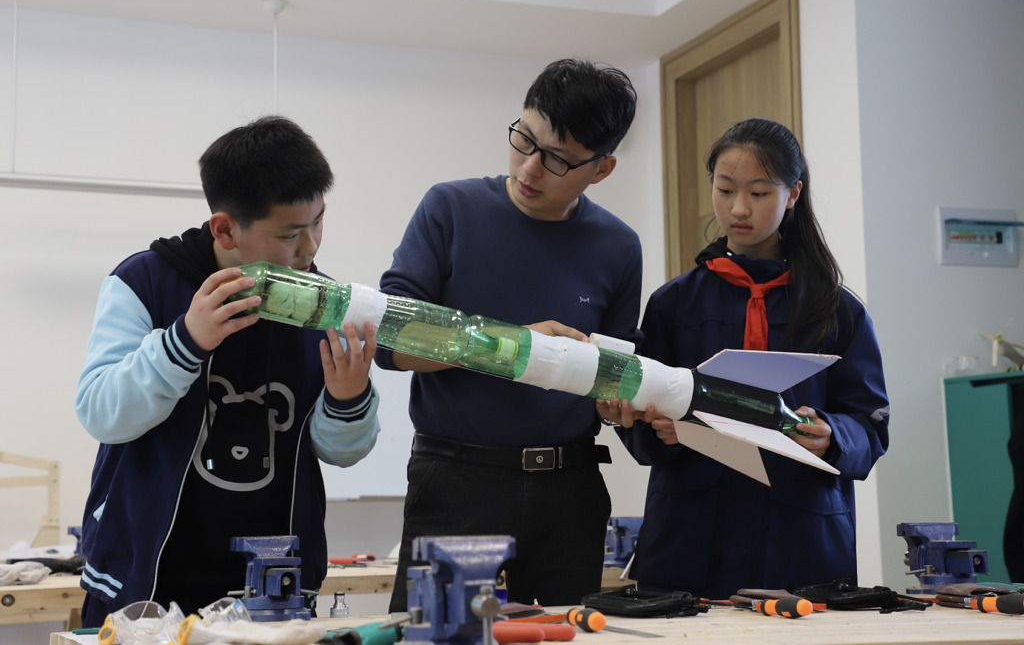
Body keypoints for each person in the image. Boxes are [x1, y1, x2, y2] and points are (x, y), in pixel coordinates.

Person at [74, 116, 381, 625]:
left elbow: (340, 451)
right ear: (225, 229)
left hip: (273, 594)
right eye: (290, 233)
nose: (310, 247)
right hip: (142, 587)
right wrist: (184, 342)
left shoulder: (321, 304)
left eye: (318, 221)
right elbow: (101, 413)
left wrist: (348, 398)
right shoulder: (144, 281)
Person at [377, 58, 642, 611]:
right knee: (432, 637)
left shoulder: (618, 247)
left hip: (569, 490)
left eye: (558, 159)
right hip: (456, 481)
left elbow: (611, 374)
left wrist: (619, 403)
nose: (530, 167)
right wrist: (515, 346)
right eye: (524, 139)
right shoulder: (450, 209)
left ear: (602, 169)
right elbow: (392, 338)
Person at [600, 117, 889, 599]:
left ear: (793, 194)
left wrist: (832, 436)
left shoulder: (837, 309)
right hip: (692, 536)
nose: (738, 208)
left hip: (801, 537)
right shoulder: (674, 304)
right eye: (725, 189)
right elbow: (641, 418)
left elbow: (871, 424)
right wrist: (658, 431)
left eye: (758, 193)